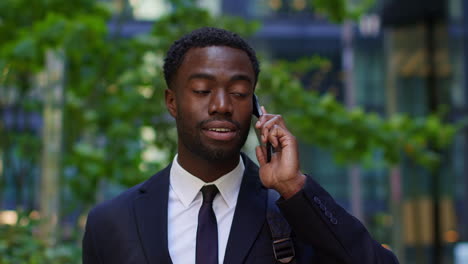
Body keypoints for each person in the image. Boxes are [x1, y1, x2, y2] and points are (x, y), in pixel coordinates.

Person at [82, 27, 399, 264]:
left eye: (238, 92)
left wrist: (294, 186)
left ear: (256, 106)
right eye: (203, 90)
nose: (221, 105)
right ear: (172, 101)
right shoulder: (112, 222)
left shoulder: (294, 212)